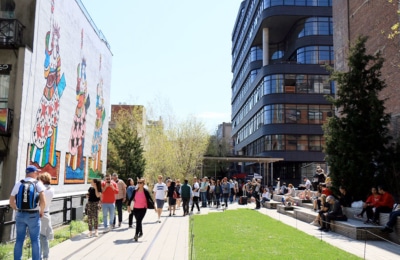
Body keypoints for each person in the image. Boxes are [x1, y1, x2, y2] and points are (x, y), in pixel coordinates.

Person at [9, 165, 46, 260]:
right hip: (33, 215)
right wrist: (41, 211)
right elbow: (43, 201)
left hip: (20, 214)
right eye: (36, 172)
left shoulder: (19, 183)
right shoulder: (38, 183)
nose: (37, 174)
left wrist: (16, 209)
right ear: (33, 173)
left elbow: (11, 201)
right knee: (35, 240)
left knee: (19, 240)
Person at [39, 172, 54, 260]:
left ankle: (43, 256)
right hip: (46, 212)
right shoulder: (51, 189)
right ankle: (44, 256)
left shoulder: (42, 189)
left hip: (41, 213)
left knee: (41, 236)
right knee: (43, 236)